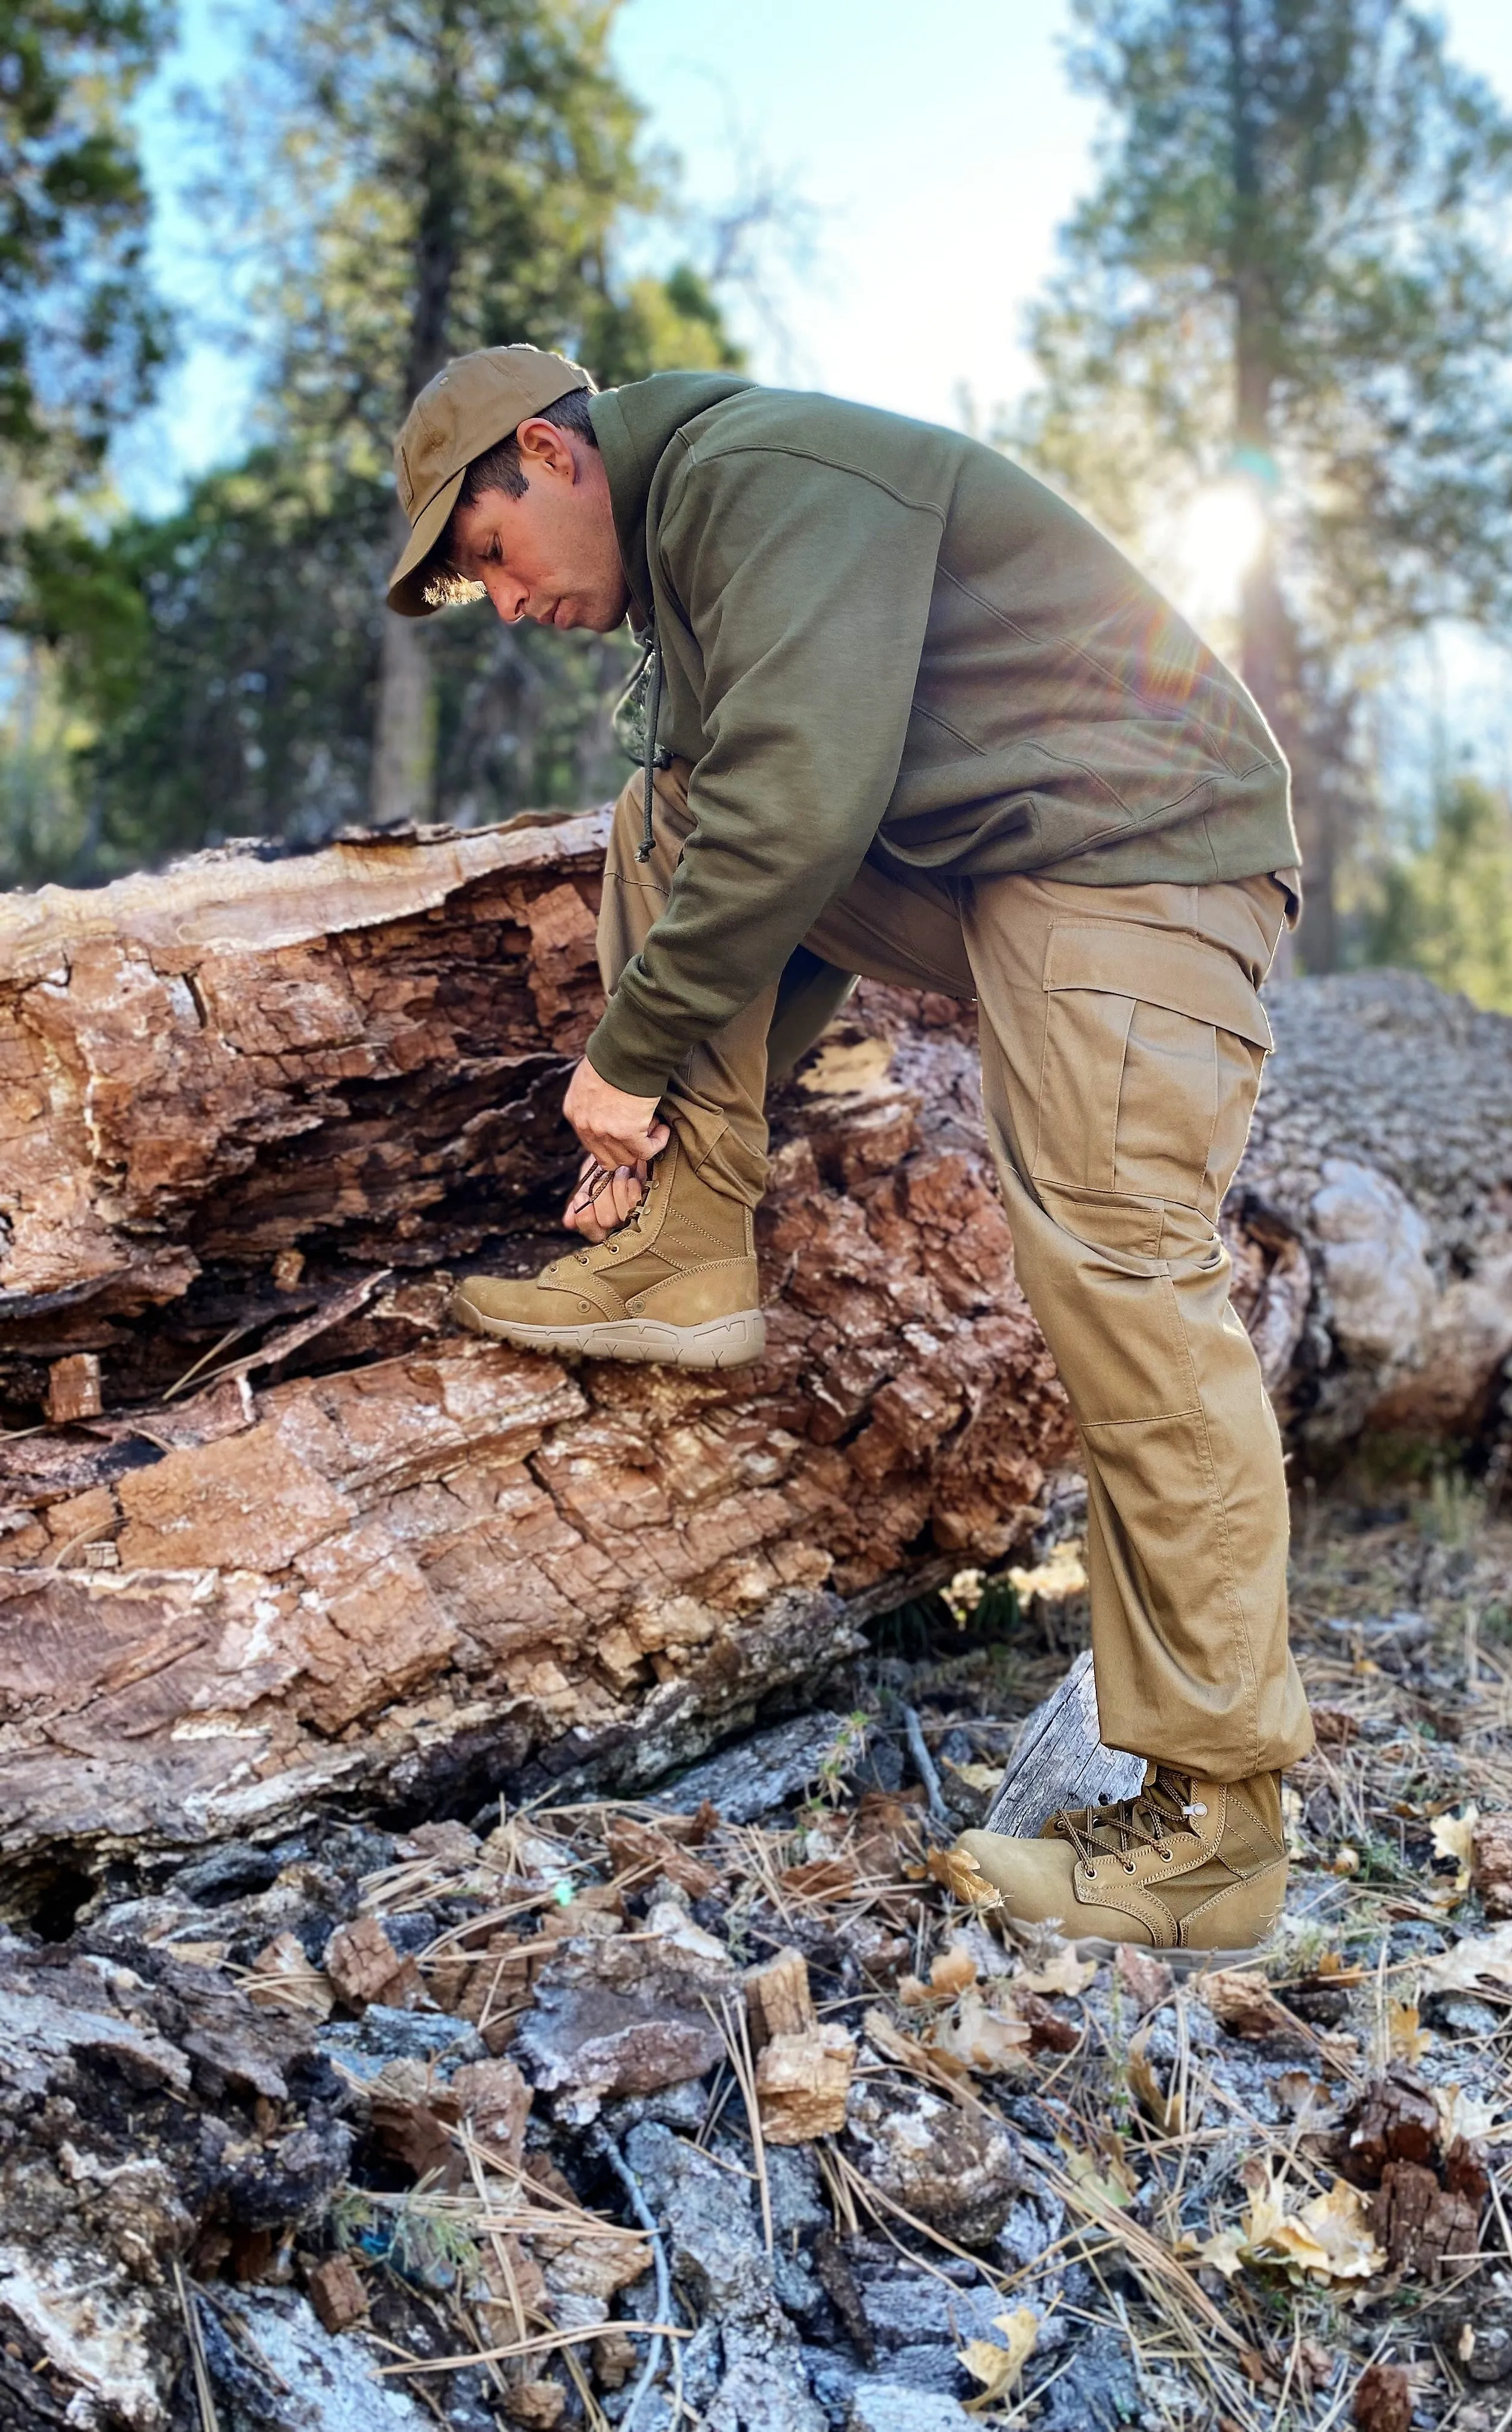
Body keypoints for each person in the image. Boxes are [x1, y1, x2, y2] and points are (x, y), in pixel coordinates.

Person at [385, 341, 1312, 1963]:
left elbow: (807, 802)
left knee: (1120, 1274)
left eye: (491, 553)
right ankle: (686, 1258)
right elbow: (765, 835)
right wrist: (696, 1113)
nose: (507, 603)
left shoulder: (758, 477)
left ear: (550, 450)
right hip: (1009, 863)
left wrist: (634, 1058)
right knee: (666, 810)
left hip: (1142, 865)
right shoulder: (688, 549)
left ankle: (1214, 1825)